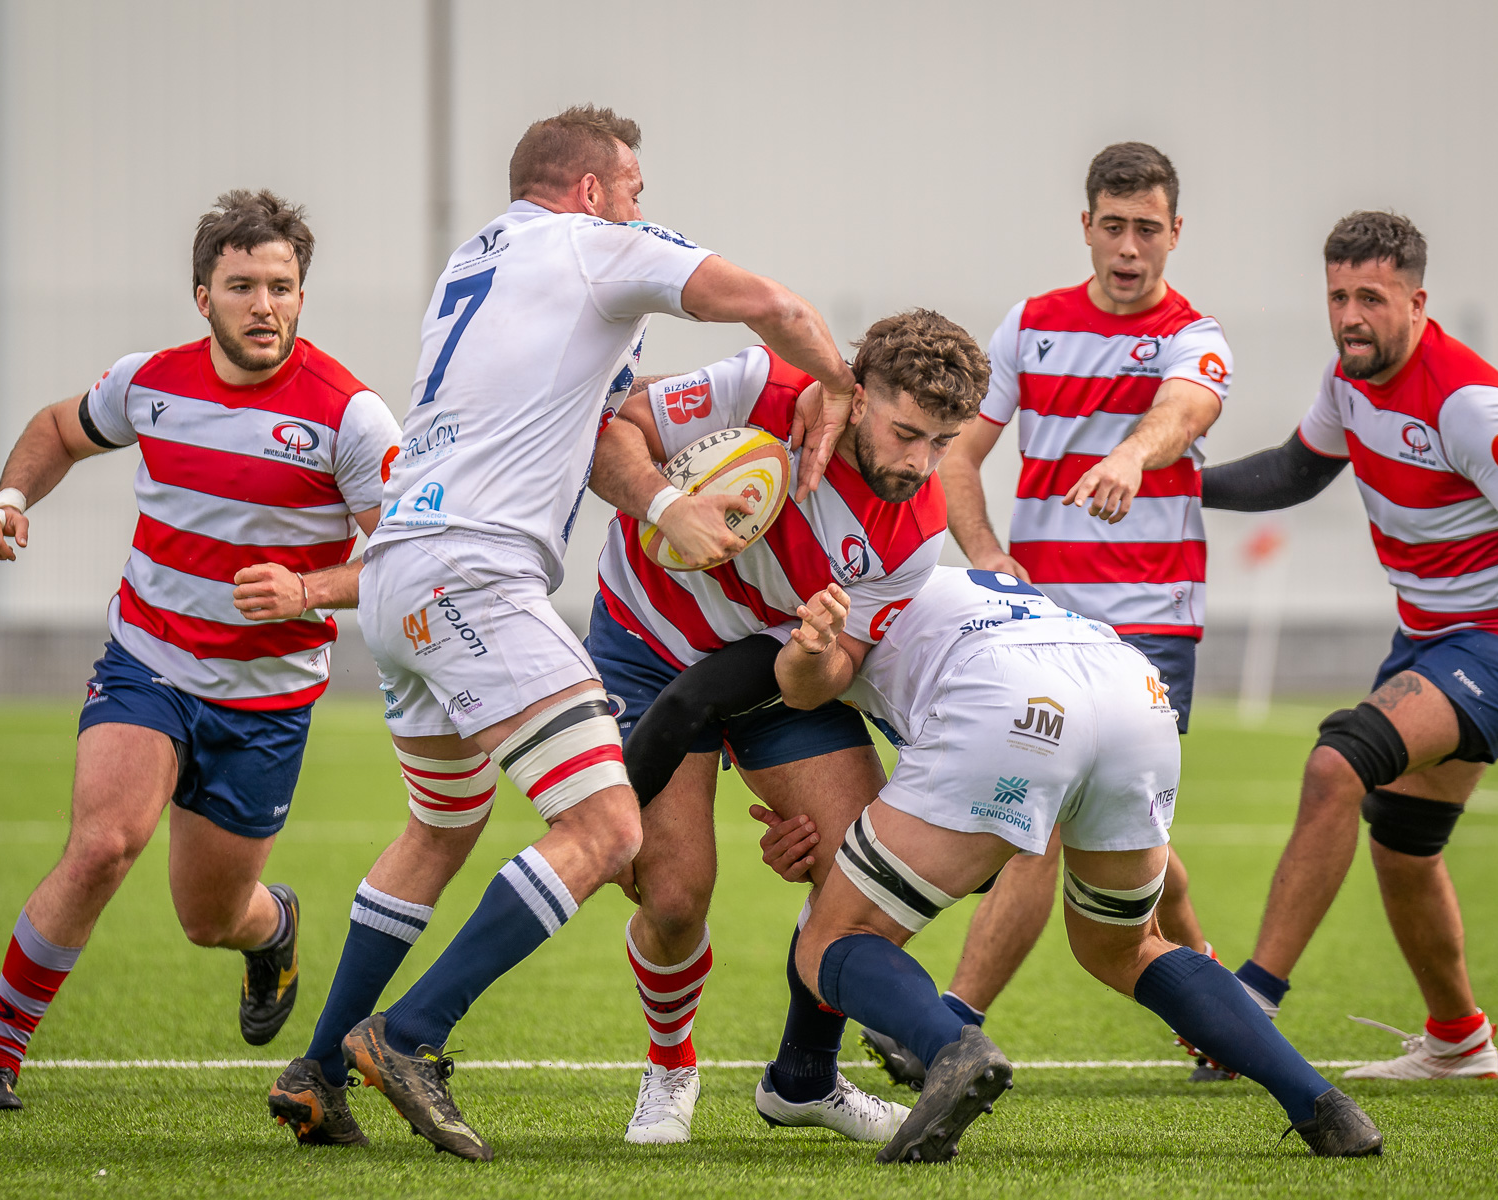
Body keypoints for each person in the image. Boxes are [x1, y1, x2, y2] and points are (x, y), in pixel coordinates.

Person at [268, 105, 863, 1159]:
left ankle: (316, 1072)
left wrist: (660, 505)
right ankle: (408, 1036)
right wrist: (839, 385)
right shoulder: (592, 247)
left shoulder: (477, 259)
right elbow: (770, 303)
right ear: (590, 190)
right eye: (635, 186)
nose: (645, 205)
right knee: (608, 832)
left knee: (440, 830)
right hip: (473, 571)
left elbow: (601, 429)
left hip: (401, 570)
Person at [626, 567, 1385, 1163]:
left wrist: (612, 816)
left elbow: (699, 699)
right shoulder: (932, 571)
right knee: (1129, 944)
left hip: (1011, 701)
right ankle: (1319, 1103)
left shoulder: (823, 595)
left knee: (832, 938)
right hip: (1130, 689)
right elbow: (986, 855)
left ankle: (951, 1045)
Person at [0, 190, 401, 1110]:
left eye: (282, 286)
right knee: (104, 844)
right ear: (203, 296)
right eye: (242, 286)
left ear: (302, 297)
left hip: (266, 698)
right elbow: (55, 429)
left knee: (209, 918)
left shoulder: (349, 417)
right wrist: (9, 505)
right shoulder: (150, 382)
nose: (264, 305)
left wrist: (310, 590)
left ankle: (270, 930)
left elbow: (408, 552)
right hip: (146, 661)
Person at [868, 142, 1236, 1089]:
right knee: (1129, 837)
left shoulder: (1198, 335)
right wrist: (986, 554)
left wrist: (1130, 457)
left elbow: (1184, 412)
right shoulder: (1032, 326)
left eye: (1146, 229)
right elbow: (956, 453)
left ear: (1174, 234)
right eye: (1111, 227)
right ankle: (1227, 1016)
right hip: (1044, 625)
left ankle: (948, 1025)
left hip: (1154, 618)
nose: (1127, 247)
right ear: (1087, 227)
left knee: (1055, 820)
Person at [1201, 210, 1498, 1080]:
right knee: (1404, 843)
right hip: (1428, 637)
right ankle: (1460, 1042)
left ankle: (1249, 1004)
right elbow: (1297, 470)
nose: (1350, 316)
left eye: (1371, 298)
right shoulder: (1350, 382)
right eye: (1338, 296)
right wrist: (1183, 488)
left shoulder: (1465, 401)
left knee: (1337, 764)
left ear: (1417, 302)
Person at [586, 311, 988, 1144]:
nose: (919, 463)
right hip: (647, 643)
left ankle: (804, 1078)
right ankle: (670, 1068)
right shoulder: (760, 385)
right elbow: (615, 435)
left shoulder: (917, 526)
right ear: (856, 392)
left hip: (769, 670)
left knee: (864, 878)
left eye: (942, 443)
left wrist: (812, 653)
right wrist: (670, 505)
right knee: (671, 896)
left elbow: (824, 677)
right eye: (907, 432)